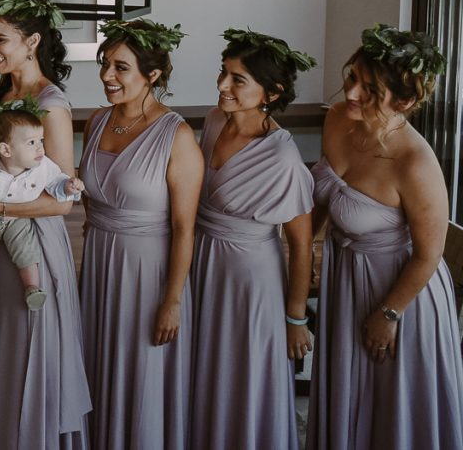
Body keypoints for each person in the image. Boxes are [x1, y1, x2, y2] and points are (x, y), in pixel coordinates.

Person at [307, 24, 463, 449]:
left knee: (390, 412)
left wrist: (388, 315)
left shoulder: (414, 163)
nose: (351, 93)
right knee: (348, 398)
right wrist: (306, 253)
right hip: (346, 281)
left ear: (406, 101)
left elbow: (429, 255)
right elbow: (325, 195)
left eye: (369, 89)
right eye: (352, 77)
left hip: (400, 294)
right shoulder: (338, 119)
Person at [0, 0, 91, 450]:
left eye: (0, 40)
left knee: (29, 348)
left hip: (34, 241)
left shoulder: (51, 105)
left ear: (31, 42)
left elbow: (61, 200)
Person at [189, 28, 316, 450]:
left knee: (241, 372)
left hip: (249, 279)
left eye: (237, 79)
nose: (223, 85)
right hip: (201, 262)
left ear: (271, 92)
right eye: (223, 73)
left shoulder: (283, 158)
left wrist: (295, 318)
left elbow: (300, 246)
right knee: (204, 368)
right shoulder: (212, 120)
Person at [77, 18, 202, 450]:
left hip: (148, 273)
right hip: (98, 265)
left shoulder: (178, 136)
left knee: (141, 374)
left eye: (121, 67)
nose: (107, 76)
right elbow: (89, 199)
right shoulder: (96, 121)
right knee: (97, 366)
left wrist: (172, 300)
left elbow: (186, 228)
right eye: (105, 64)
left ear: (153, 75)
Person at [0, 102, 84, 315]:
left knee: (26, 249)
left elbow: (56, 182)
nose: (40, 148)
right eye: (32, 142)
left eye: (41, 141)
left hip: (16, 220)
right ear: (6, 149)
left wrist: (68, 186)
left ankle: (32, 288)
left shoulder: (43, 166)